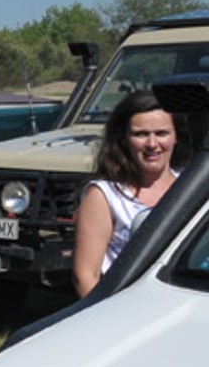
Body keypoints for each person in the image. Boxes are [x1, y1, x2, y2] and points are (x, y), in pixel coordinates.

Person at [72, 89, 179, 297]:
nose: (152, 144)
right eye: (141, 134)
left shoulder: (191, 187)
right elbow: (85, 275)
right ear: (124, 139)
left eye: (161, 133)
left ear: (177, 137)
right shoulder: (104, 195)